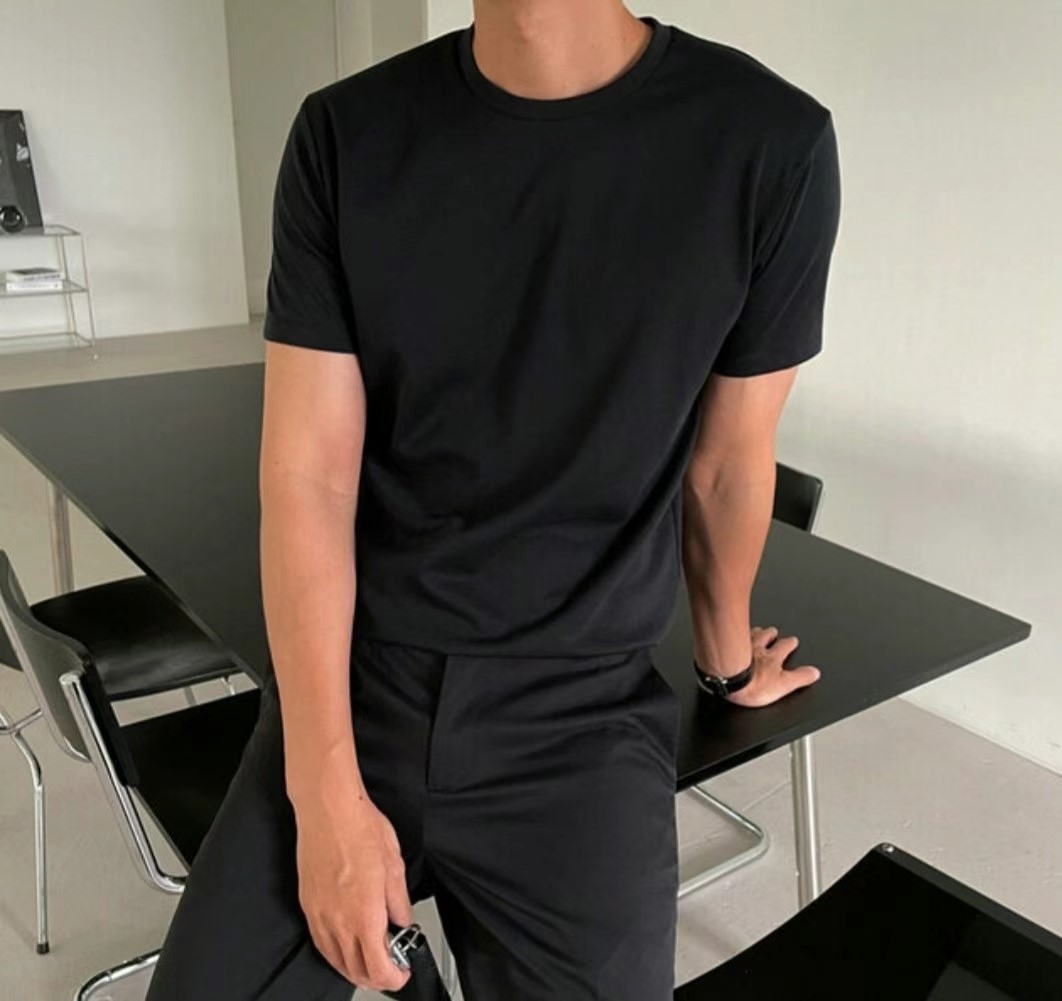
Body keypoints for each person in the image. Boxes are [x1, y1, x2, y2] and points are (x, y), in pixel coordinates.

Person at [144, 1, 841, 998]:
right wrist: (325, 791)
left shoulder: (771, 142)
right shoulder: (347, 134)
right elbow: (309, 477)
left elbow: (727, 463)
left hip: (583, 715)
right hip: (360, 680)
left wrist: (726, 664)